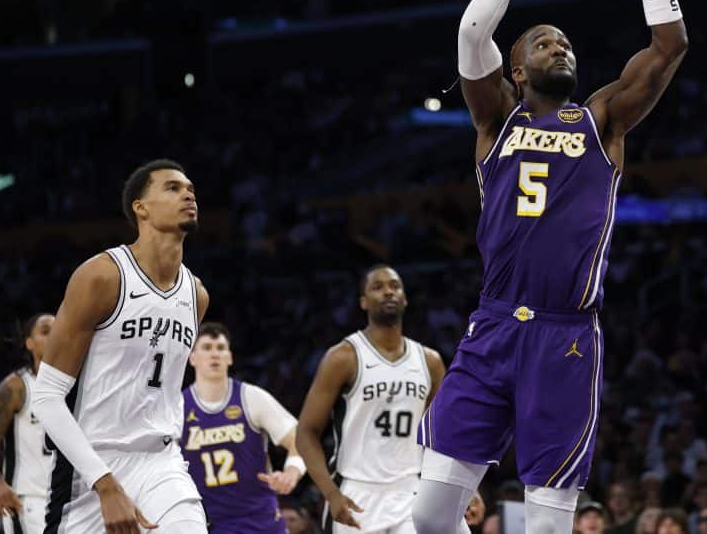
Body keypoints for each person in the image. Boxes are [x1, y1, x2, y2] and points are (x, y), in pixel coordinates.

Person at [412, 0, 688, 534]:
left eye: (564, 42)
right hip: (494, 325)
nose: (558, 46)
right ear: (516, 65)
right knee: (428, 515)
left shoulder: (603, 117)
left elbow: (670, 42)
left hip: (566, 335)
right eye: (543, 41)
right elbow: (471, 30)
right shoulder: (494, 118)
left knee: (544, 524)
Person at [32, 159, 209, 534]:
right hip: (91, 466)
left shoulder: (196, 294)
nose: (188, 193)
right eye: (173, 188)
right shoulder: (102, 275)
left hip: (162, 462)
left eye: (191, 188)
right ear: (140, 208)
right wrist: (106, 483)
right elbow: (46, 395)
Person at [296, 265, 446, 533]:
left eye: (394, 286)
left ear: (405, 297)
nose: (388, 291)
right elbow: (306, 432)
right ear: (363, 302)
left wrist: (466, 489)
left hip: (410, 491)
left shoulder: (430, 362)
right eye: (378, 287)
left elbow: (443, 435)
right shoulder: (343, 357)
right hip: (355, 492)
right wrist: (330, 493)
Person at [182, 322, 306, 533]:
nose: (215, 354)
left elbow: (300, 440)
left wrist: (291, 473)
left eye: (221, 348)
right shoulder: (178, 407)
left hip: (262, 521)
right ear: (192, 357)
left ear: (230, 357)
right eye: (207, 348)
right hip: (210, 524)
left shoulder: (251, 397)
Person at [0, 313, 55, 534]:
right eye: (46, 331)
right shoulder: (16, 387)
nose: (55, 336)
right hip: (29, 502)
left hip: (71, 501)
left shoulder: (78, 387)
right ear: (29, 343)